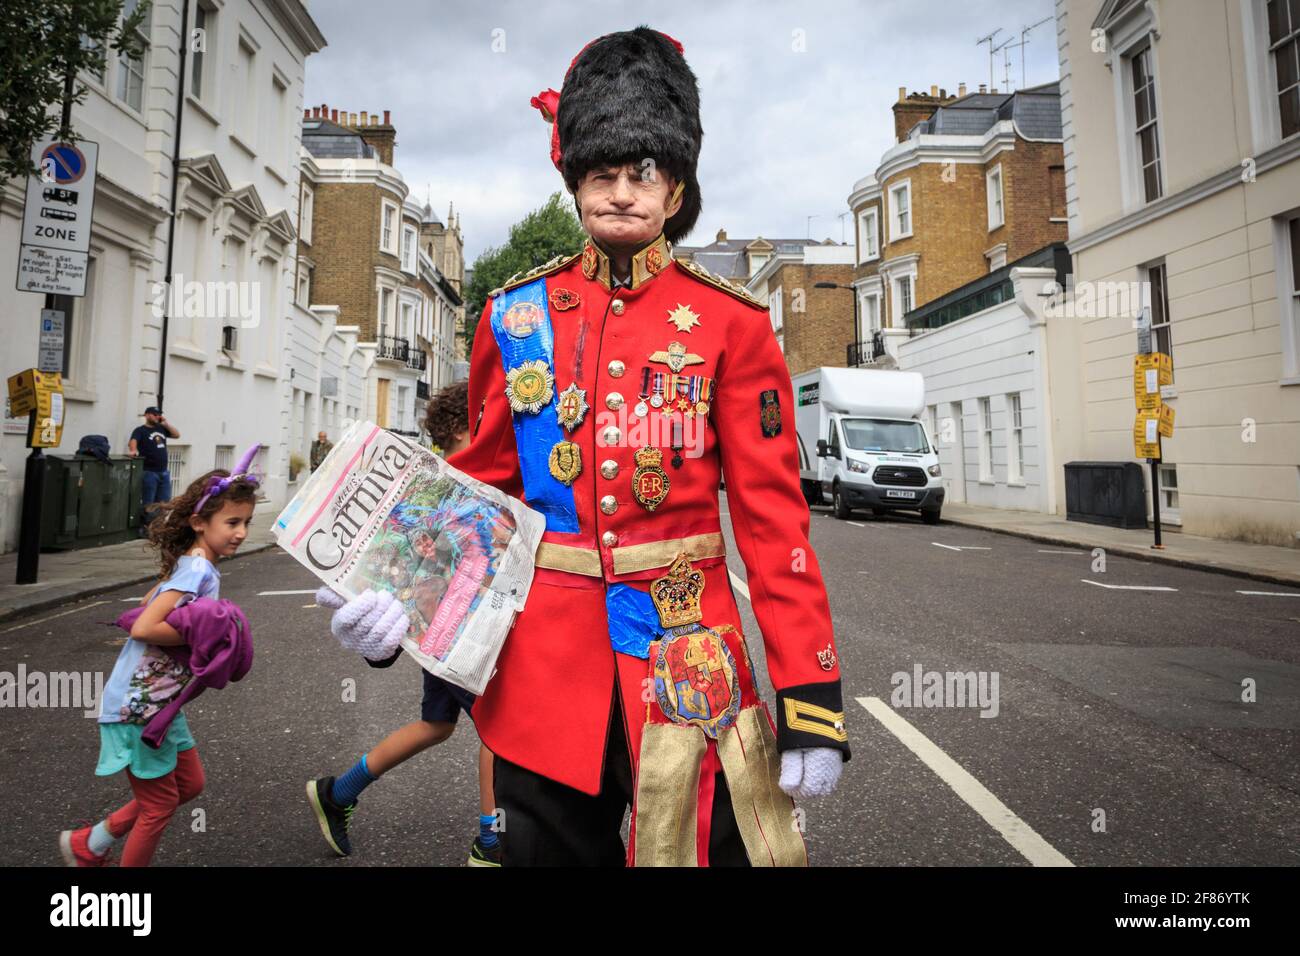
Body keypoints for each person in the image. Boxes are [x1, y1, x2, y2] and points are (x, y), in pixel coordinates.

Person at [324, 26, 849, 867]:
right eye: (601, 173)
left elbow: (773, 525)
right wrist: (396, 585)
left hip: (688, 660)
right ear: (574, 182)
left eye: (642, 173)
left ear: (676, 188)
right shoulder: (515, 315)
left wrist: (809, 695)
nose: (620, 193)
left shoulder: (733, 325)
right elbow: (486, 482)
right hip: (545, 675)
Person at [305, 380, 502, 867]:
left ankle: (338, 792)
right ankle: (491, 841)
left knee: (435, 724)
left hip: (447, 631)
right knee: (500, 730)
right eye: (480, 427)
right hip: (451, 634)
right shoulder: (453, 482)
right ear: (461, 428)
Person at [59, 446, 260, 866]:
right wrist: (202, 640)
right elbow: (144, 626)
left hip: (161, 703)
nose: (241, 532)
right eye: (232, 522)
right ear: (199, 523)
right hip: (138, 705)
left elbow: (154, 599)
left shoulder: (194, 565)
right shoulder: (197, 569)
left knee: (189, 785)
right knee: (158, 806)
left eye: (246, 522)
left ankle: (90, 842)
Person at [128, 407, 180, 535]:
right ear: (147, 415)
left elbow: (176, 435)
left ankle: (159, 529)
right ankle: (146, 529)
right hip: (149, 472)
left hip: (163, 472)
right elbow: (133, 441)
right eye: (155, 414)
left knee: (163, 503)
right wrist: (133, 450)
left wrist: (165, 423)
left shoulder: (161, 428)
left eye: (159, 415)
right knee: (149, 503)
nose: (157, 417)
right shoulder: (141, 430)